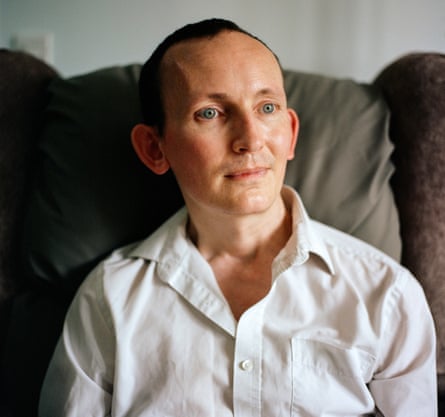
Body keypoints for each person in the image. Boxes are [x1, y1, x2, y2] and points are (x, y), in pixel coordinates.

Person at [39, 18, 437, 416]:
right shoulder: (108, 298)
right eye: (210, 113)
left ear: (291, 132)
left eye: (267, 108)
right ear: (154, 148)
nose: (250, 139)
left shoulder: (387, 295)